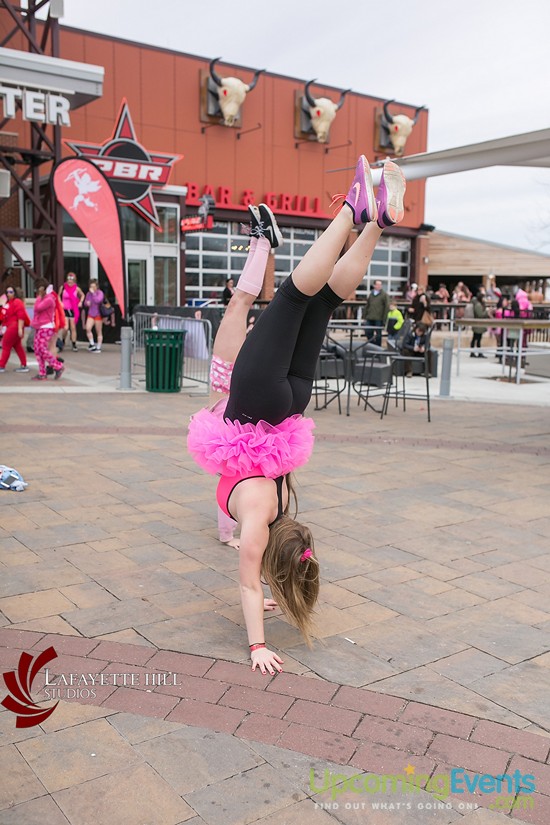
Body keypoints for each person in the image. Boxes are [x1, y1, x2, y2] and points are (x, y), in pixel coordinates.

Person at [188, 156, 406, 675]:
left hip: (291, 405)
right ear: (273, 562)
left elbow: (256, 573)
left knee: (324, 301)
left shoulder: (286, 503)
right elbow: (246, 576)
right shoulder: (260, 520)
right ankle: (354, 210)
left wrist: (271, 592)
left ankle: (377, 224)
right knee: (291, 297)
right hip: (259, 402)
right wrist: (257, 645)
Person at [31, 280, 65, 381]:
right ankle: (42, 373)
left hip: (46, 326)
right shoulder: (44, 298)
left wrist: (39, 298)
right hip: (39, 326)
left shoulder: (49, 298)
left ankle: (58, 366)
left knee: (42, 348)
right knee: (37, 350)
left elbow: (37, 308)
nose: (37, 291)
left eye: (38, 288)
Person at [0, 286, 30, 373]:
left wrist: (20, 328)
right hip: (11, 327)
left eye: (11, 292)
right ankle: (24, 365)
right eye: (7, 292)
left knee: (6, 345)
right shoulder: (9, 303)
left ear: (15, 293)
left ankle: (1, 365)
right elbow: (3, 316)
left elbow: (21, 316)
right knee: (17, 346)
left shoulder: (17, 302)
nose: (8, 294)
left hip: (14, 327)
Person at [59, 272, 84, 351]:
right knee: (65, 327)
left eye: (71, 281)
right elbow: (58, 296)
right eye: (68, 281)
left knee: (73, 327)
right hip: (65, 309)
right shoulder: (63, 287)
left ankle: (74, 344)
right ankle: (63, 340)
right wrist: (60, 303)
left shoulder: (77, 288)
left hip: (73, 309)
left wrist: (80, 302)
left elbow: (82, 295)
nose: (70, 282)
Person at [364, 279, 389, 346]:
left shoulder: (384, 295)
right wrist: (364, 316)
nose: (379, 286)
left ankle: (378, 348)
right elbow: (367, 305)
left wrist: (384, 319)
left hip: (379, 318)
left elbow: (387, 307)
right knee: (368, 332)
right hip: (369, 317)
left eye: (380, 285)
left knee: (378, 334)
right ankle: (372, 345)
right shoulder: (371, 294)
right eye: (377, 284)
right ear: (374, 285)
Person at [84, 279, 105, 352]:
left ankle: (98, 347)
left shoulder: (100, 293)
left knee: (98, 331)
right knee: (88, 328)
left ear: (97, 287)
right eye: (91, 286)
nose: (92, 288)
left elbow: (98, 300)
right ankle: (92, 344)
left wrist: (93, 294)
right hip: (91, 313)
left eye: (94, 286)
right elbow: (85, 302)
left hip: (98, 314)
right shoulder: (88, 294)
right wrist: (87, 303)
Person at [470, 289, 489, 357]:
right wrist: (487, 312)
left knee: (477, 339)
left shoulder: (480, 304)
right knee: (476, 338)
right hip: (478, 325)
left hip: (479, 325)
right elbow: (480, 314)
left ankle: (476, 352)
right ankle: (475, 352)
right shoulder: (478, 305)